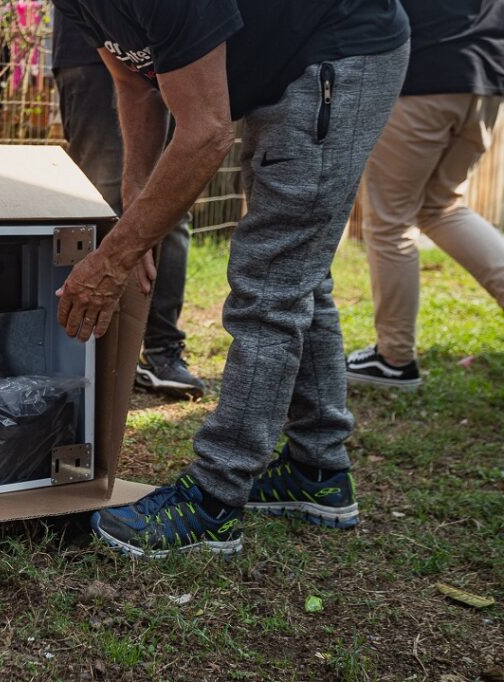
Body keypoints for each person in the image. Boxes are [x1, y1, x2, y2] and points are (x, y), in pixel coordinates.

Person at [51, 0, 410, 558]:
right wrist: (134, 202)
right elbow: (134, 82)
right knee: (298, 273)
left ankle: (216, 500)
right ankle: (318, 471)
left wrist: (114, 259)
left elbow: (206, 132)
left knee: (272, 279)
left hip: (338, 52)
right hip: (284, 62)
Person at [346, 0, 504, 389]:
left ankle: (394, 359)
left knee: (390, 221)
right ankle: (393, 355)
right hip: (486, 77)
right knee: (441, 206)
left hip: (422, 75)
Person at [52, 9, 205, 399]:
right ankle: (101, 355)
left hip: (161, 46)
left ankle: (161, 348)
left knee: (169, 200)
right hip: (89, 53)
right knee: (101, 204)